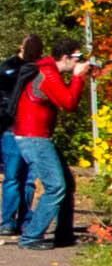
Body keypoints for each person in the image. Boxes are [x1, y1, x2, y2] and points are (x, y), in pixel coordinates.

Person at [1, 45, 66, 248]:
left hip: (23, 130)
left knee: (28, 180)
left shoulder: (35, 70)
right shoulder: (13, 68)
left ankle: (26, 223)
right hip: (18, 130)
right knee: (14, 177)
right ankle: (11, 223)